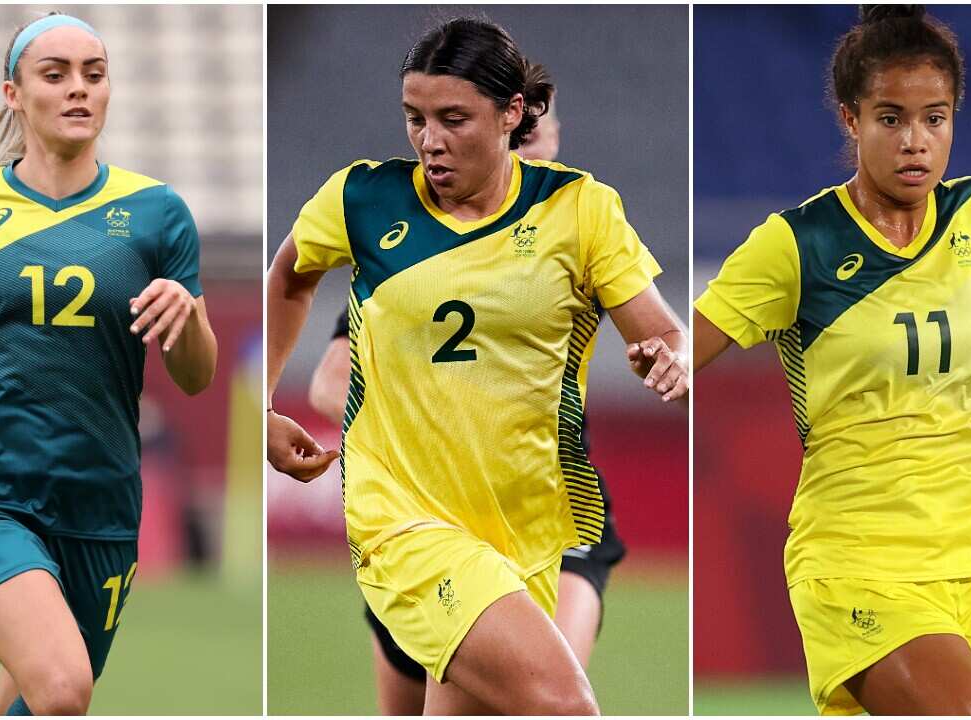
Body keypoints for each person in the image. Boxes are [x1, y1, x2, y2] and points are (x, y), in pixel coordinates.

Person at [693, 5, 971, 715]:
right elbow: (675, 356)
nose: (915, 141)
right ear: (852, 119)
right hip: (864, 569)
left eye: (935, 119)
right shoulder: (799, 245)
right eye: (891, 119)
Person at [268, 17, 686, 715]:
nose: (429, 139)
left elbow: (666, 335)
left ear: (511, 115)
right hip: (405, 522)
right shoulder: (364, 199)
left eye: (452, 118)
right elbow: (291, 273)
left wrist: (671, 364)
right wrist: (266, 408)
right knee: (566, 705)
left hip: (524, 530)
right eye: (415, 118)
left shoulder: (580, 211)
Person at [0, 13, 217, 715]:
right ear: (13, 92)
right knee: (63, 689)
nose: (78, 91)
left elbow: (196, 374)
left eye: (94, 75)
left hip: (101, 509)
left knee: (37, 706)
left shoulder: (158, 214)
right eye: (55, 74)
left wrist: (184, 316)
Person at [307, 98, 626, 714]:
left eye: (533, 128)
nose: (519, 142)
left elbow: (659, 331)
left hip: (550, 512)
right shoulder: (415, 255)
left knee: (548, 697)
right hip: (429, 509)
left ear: (551, 135)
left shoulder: (578, 226)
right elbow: (327, 382)